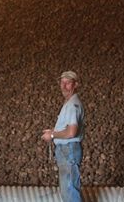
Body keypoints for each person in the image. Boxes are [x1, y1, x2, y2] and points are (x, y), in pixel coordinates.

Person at [42, 70, 85, 202]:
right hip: (67, 150)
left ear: (75, 84)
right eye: (62, 82)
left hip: (68, 150)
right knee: (69, 190)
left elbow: (72, 132)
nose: (64, 86)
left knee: (70, 190)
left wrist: (53, 135)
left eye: (68, 83)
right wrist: (54, 130)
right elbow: (67, 128)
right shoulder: (69, 103)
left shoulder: (72, 105)